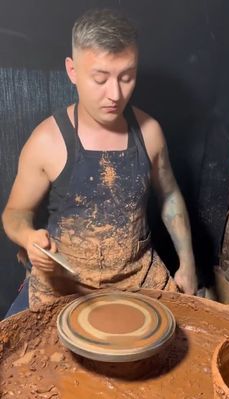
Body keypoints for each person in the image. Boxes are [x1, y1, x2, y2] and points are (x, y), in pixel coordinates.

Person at [2, 8, 197, 313]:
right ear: (72, 71)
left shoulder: (150, 132)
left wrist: (187, 265)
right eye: (100, 78)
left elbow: (170, 196)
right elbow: (14, 213)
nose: (115, 94)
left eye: (127, 77)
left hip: (138, 276)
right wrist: (28, 237)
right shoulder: (47, 141)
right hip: (65, 282)